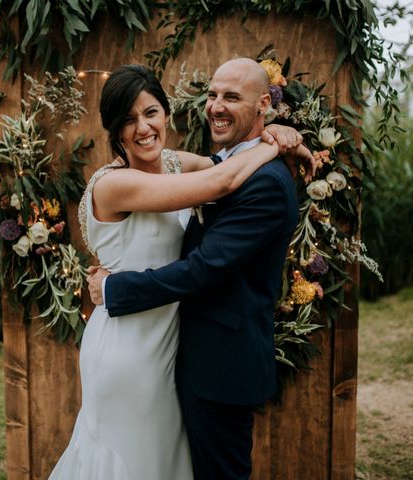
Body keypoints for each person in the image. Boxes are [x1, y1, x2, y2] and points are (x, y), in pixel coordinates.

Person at [48, 63, 309, 480]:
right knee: (130, 460)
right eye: (128, 120)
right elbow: (223, 181)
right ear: (114, 129)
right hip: (128, 345)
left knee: (164, 461)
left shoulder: (176, 164)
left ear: (166, 114)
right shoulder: (114, 184)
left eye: (151, 113)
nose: (143, 128)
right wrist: (273, 142)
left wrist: (280, 135)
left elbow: (226, 164)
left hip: (170, 345)